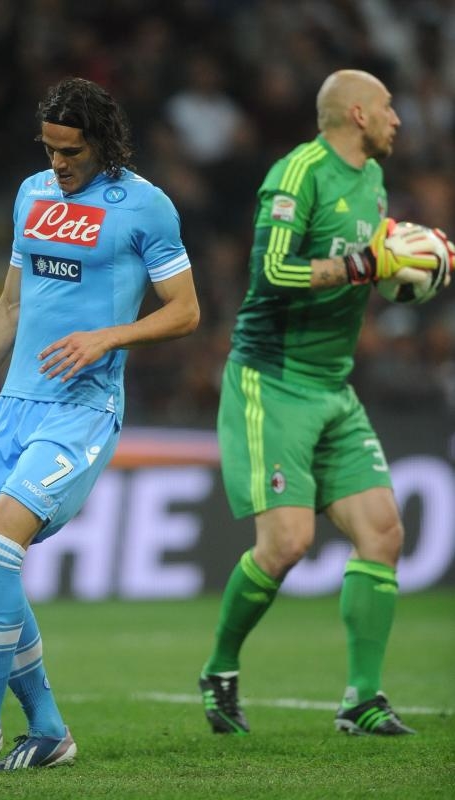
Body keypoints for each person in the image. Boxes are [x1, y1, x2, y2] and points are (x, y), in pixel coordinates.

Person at [0, 77, 199, 771]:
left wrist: (109, 337)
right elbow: (10, 307)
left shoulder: (145, 206)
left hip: (82, 409)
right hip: (14, 406)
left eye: (70, 151)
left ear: (101, 142)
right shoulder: (32, 194)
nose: (58, 162)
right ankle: (48, 729)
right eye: (49, 149)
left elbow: (186, 310)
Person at [199, 69, 452, 737]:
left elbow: (371, 252)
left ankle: (361, 699)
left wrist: (414, 254)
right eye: (389, 108)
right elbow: (271, 271)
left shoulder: (372, 179)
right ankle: (219, 669)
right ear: (358, 113)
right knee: (287, 545)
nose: (398, 119)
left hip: (333, 387)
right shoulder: (297, 175)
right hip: (272, 381)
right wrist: (366, 267)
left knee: (383, 533)